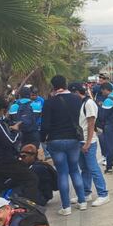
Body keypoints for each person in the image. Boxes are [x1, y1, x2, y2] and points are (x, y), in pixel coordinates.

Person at [0, 94, 41, 203]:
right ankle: (28, 208)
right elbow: (11, 141)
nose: (2, 114)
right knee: (31, 178)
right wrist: (16, 130)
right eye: (2, 111)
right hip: (5, 162)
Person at [41, 75, 86, 215]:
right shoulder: (76, 99)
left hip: (56, 141)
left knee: (62, 173)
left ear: (53, 86)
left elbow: (45, 125)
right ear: (66, 84)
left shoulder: (49, 103)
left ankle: (66, 207)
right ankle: (82, 201)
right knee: (74, 170)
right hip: (73, 139)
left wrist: (42, 139)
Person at [69, 83, 110, 207]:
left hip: (89, 142)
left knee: (93, 168)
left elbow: (91, 124)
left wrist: (87, 143)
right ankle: (86, 193)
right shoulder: (79, 104)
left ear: (76, 92)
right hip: (80, 141)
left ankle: (103, 194)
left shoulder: (89, 104)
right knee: (84, 169)